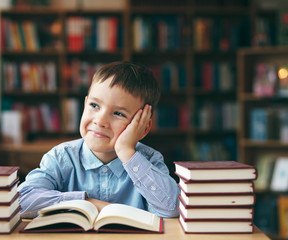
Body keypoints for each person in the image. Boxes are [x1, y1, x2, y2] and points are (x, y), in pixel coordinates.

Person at [18, 61, 179, 218]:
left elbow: (171, 208)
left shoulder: (149, 160)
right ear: (85, 104)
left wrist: (126, 151)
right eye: (94, 105)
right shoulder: (62, 157)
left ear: (143, 127)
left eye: (118, 114)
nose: (100, 121)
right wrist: (87, 203)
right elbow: (21, 201)